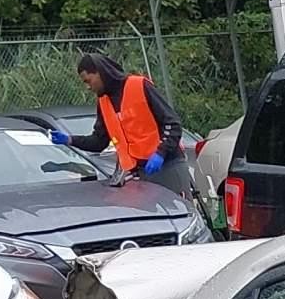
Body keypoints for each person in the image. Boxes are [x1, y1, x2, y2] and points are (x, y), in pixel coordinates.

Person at [51, 53, 195, 199]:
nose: (88, 87)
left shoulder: (139, 85)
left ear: (100, 72)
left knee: (181, 214)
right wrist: (69, 140)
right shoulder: (104, 102)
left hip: (168, 165)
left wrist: (160, 153)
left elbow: (172, 123)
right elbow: (99, 142)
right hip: (140, 174)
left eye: (88, 81)